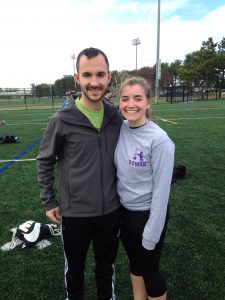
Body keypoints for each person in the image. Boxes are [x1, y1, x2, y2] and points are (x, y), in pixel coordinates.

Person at [37, 47, 122, 300]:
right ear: (77, 79)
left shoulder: (117, 116)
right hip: (75, 215)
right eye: (87, 75)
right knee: (74, 273)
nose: (94, 82)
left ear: (109, 77)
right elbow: (44, 160)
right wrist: (49, 201)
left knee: (106, 271)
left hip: (111, 212)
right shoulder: (61, 120)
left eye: (100, 74)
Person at [114, 76, 175, 300]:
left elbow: (162, 193)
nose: (131, 104)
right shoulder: (120, 128)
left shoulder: (160, 140)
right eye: (125, 99)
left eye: (138, 98)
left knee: (150, 271)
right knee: (135, 265)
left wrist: (151, 232)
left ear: (148, 102)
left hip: (148, 215)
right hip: (124, 214)